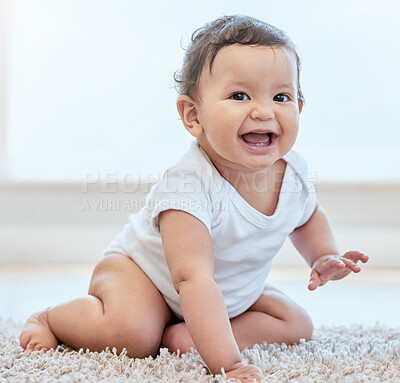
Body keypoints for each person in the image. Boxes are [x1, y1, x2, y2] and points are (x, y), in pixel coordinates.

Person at [20, 15, 369, 382]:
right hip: (147, 279)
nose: (264, 110)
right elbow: (193, 280)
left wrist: (323, 254)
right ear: (193, 116)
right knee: (133, 334)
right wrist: (228, 365)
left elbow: (307, 216)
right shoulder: (188, 187)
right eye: (239, 95)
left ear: (298, 109)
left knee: (297, 323)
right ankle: (50, 317)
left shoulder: (293, 173)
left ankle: (189, 336)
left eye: (280, 96)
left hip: (223, 292)